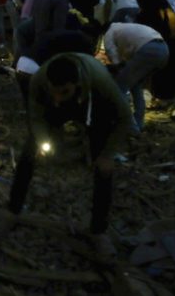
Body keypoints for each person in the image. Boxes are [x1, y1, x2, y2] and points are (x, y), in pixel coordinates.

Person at [8, 52, 130, 255]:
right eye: (53, 91)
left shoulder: (100, 82)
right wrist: (41, 141)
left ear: (76, 84)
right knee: (29, 152)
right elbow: (36, 117)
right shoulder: (40, 80)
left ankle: (98, 231)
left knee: (104, 169)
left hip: (93, 106)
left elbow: (124, 117)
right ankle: (12, 209)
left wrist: (108, 154)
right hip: (61, 106)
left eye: (63, 92)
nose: (57, 98)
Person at [103, 22, 169, 133]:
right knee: (136, 86)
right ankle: (138, 124)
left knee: (120, 88)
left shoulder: (109, 32)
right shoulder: (126, 27)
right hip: (164, 50)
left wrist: (117, 67)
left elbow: (111, 52)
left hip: (148, 50)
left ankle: (127, 125)